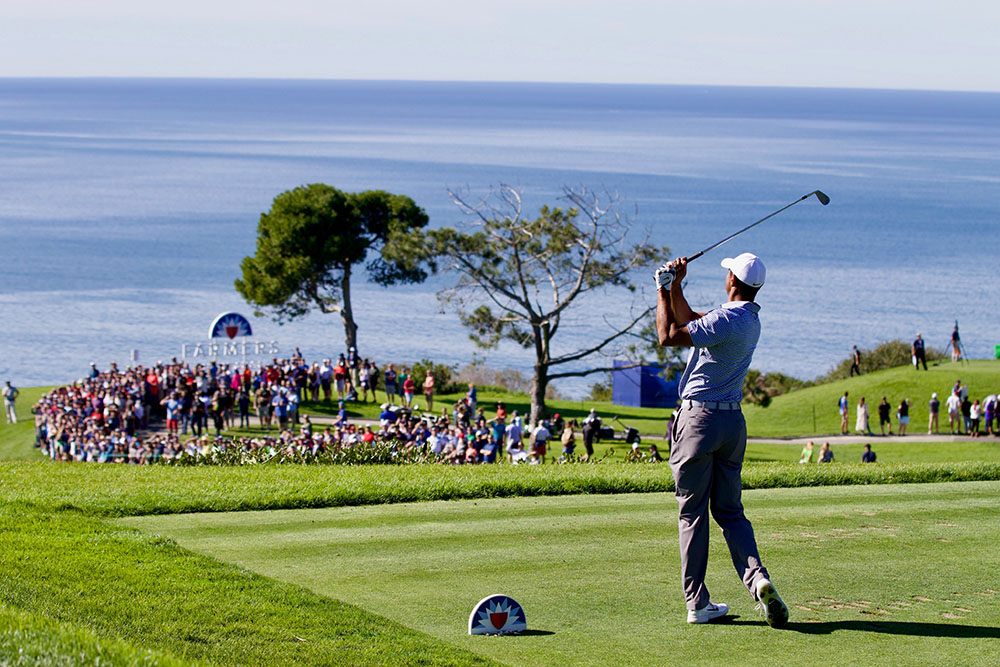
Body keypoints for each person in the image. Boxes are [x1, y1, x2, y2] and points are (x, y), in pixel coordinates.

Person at [655, 252, 787, 627]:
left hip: (698, 422)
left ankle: (697, 603)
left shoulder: (728, 317)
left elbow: (669, 335)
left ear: (732, 281)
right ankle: (757, 578)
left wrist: (662, 292)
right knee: (730, 511)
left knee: (692, 514)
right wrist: (676, 286)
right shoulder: (747, 320)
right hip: (732, 424)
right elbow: (695, 321)